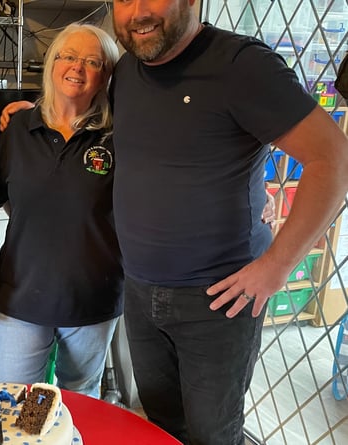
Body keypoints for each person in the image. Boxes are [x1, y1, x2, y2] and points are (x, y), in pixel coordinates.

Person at [109, 0, 348, 444]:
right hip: (140, 293)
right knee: (161, 425)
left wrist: (276, 267)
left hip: (218, 302)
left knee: (212, 435)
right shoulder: (125, 71)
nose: (138, 11)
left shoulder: (242, 65)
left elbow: (331, 159)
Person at [0, 24, 122, 399]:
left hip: (93, 299)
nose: (76, 67)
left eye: (91, 61)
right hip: (21, 297)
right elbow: (5, 197)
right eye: (67, 56)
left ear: (107, 73)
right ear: (51, 63)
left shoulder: (119, 136)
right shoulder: (16, 127)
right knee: (17, 402)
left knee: (79, 399)